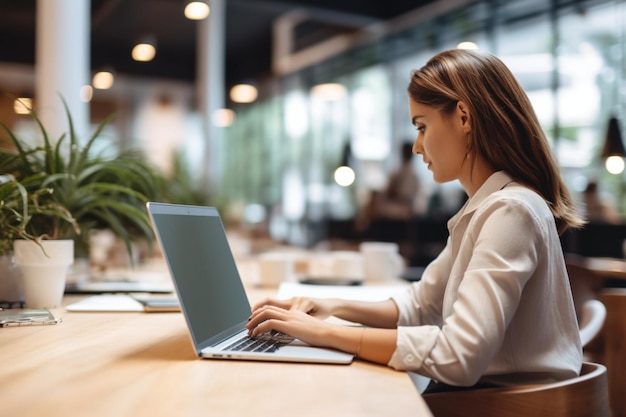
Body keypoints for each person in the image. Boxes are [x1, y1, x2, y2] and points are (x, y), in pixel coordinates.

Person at [246, 48, 585, 391]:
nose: (416, 146)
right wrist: (332, 306)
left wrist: (326, 333)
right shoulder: (488, 208)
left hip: (501, 407)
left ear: (464, 117)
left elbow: (458, 357)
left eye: (422, 127)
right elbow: (422, 305)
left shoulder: (510, 211)